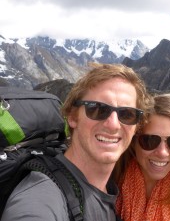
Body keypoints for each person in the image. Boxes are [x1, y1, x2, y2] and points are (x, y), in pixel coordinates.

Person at [1, 63, 150, 221]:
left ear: (136, 126)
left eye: (127, 114)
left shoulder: (120, 188)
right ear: (72, 116)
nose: (113, 124)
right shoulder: (41, 194)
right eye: (98, 109)